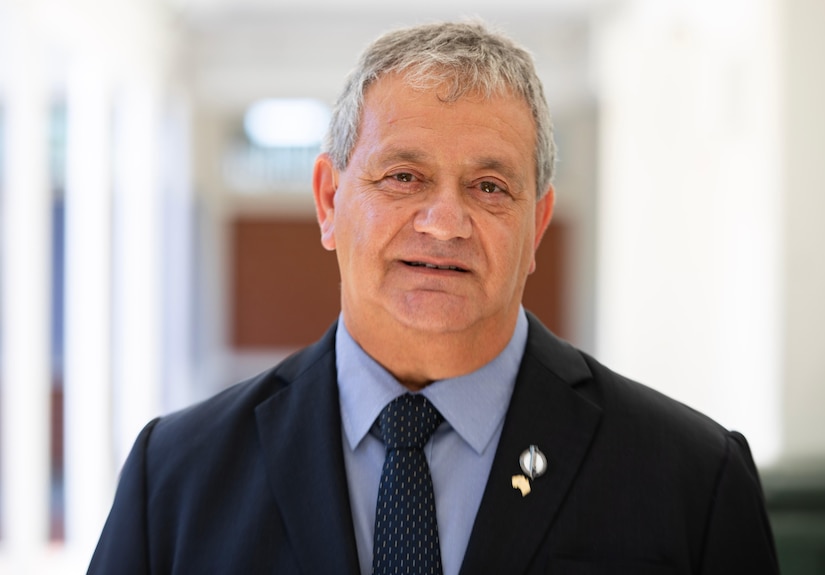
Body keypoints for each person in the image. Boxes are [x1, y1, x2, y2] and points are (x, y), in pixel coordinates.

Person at [88, 20, 779, 575]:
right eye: (404, 176)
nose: (445, 222)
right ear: (329, 199)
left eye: (489, 187)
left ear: (535, 225)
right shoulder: (174, 476)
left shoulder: (692, 479)